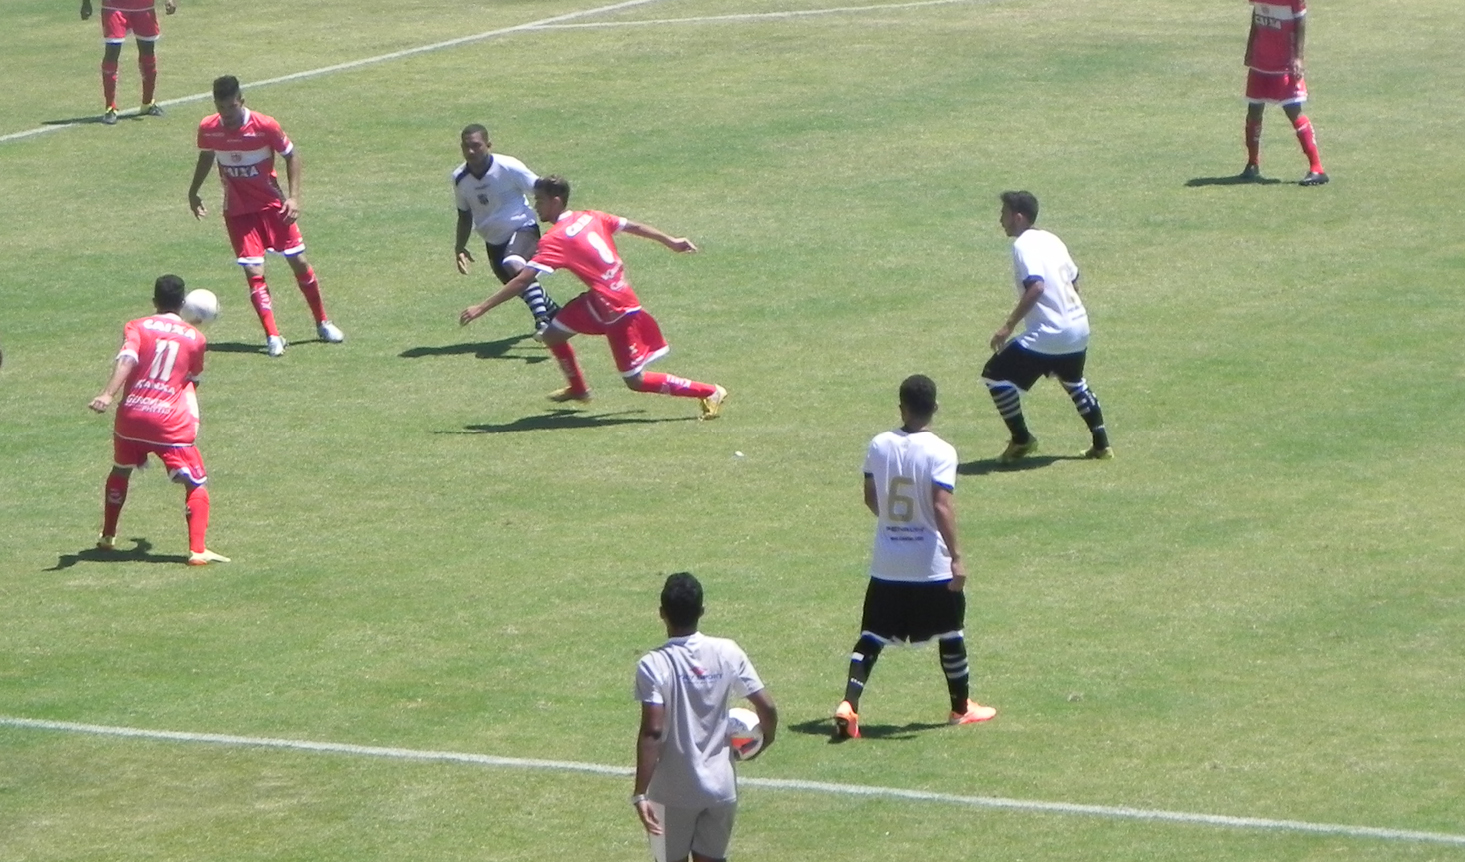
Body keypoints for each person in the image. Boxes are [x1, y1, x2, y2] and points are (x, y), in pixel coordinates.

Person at [459, 175, 728, 419]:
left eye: (539, 200)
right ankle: (578, 389)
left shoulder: (555, 239)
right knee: (552, 335)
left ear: (555, 201)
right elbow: (631, 226)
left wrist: (482, 307)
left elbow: (522, 280)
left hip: (616, 309)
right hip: (599, 301)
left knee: (634, 380)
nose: (535, 205)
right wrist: (670, 240)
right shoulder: (591, 216)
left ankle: (710, 391)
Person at [833, 375, 996, 740]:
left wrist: (894, 524)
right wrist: (956, 557)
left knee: (871, 636)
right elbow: (942, 505)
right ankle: (960, 707)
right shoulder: (942, 451)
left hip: (887, 562)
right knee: (951, 632)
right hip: (930, 564)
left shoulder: (878, 445)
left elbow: (871, 499)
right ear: (935, 407)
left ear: (901, 407)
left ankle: (849, 703)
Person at [188, 75, 345, 358]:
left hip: (273, 207)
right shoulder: (208, 128)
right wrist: (193, 191)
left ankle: (323, 322)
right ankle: (273, 336)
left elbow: (292, 155)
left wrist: (294, 198)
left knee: (299, 262)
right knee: (253, 272)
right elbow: (206, 156)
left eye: (232, 109)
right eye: (222, 110)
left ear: (242, 101)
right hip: (238, 212)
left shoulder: (264, 126)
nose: (228, 117)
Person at [633, 572, 777, 862]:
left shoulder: (653, 664)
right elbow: (768, 708)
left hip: (673, 791)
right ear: (702, 611)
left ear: (662, 613)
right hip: (720, 788)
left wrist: (639, 794)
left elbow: (653, 731)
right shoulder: (727, 651)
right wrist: (765, 738)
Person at [88, 275, 229, 566]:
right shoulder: (196, 339)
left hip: (130, 417)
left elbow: (126, 360)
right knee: (196, 483)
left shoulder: (136, 326)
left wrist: (107, 394)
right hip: (169, 423)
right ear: (183, 303)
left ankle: (108, 536)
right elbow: (193, 381)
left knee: (120, 469)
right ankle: (198, 550)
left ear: (154, 301)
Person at [983, 191, 1111, 463]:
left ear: (1018, 217)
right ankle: (1102, 445)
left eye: (1004, 214)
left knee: (994, 374)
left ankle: (1021, 439)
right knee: (1074, 380)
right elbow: (1074, 282)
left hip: (1049, 333)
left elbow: (1036, 286)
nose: (1000, 220)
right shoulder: (1053, 239)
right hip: (1078, 327)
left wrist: (1008, 326)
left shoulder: (1023, 246)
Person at [452, 125, 560, 336]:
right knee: (516, 286)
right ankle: (557, 313)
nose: (471, 152)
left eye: (476, 146)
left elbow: (540, 189)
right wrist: (459, 247)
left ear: (488, 145)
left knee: (513, 264)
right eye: (466, 147)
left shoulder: (508, 166)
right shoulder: (459, 178)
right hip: (493, 242)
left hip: (523, 229)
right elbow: (464, 214)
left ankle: (543, 321)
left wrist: (559, 218)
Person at [1240, 0, 1328, 185]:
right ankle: (1252, 164)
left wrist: (1298, 58)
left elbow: (1300, 20)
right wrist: (1250, 48)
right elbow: (1257, 17)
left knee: (1293, 111)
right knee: (1254, 110)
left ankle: (1317, 168)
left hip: (1284, 64)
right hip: (1261, 61)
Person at [80, 0, 176, 125]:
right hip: (114, 6)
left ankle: (147, 103)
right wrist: (86, 2)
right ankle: (110, 107)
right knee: (112, 52)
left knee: (148, 52)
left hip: (144, 6)